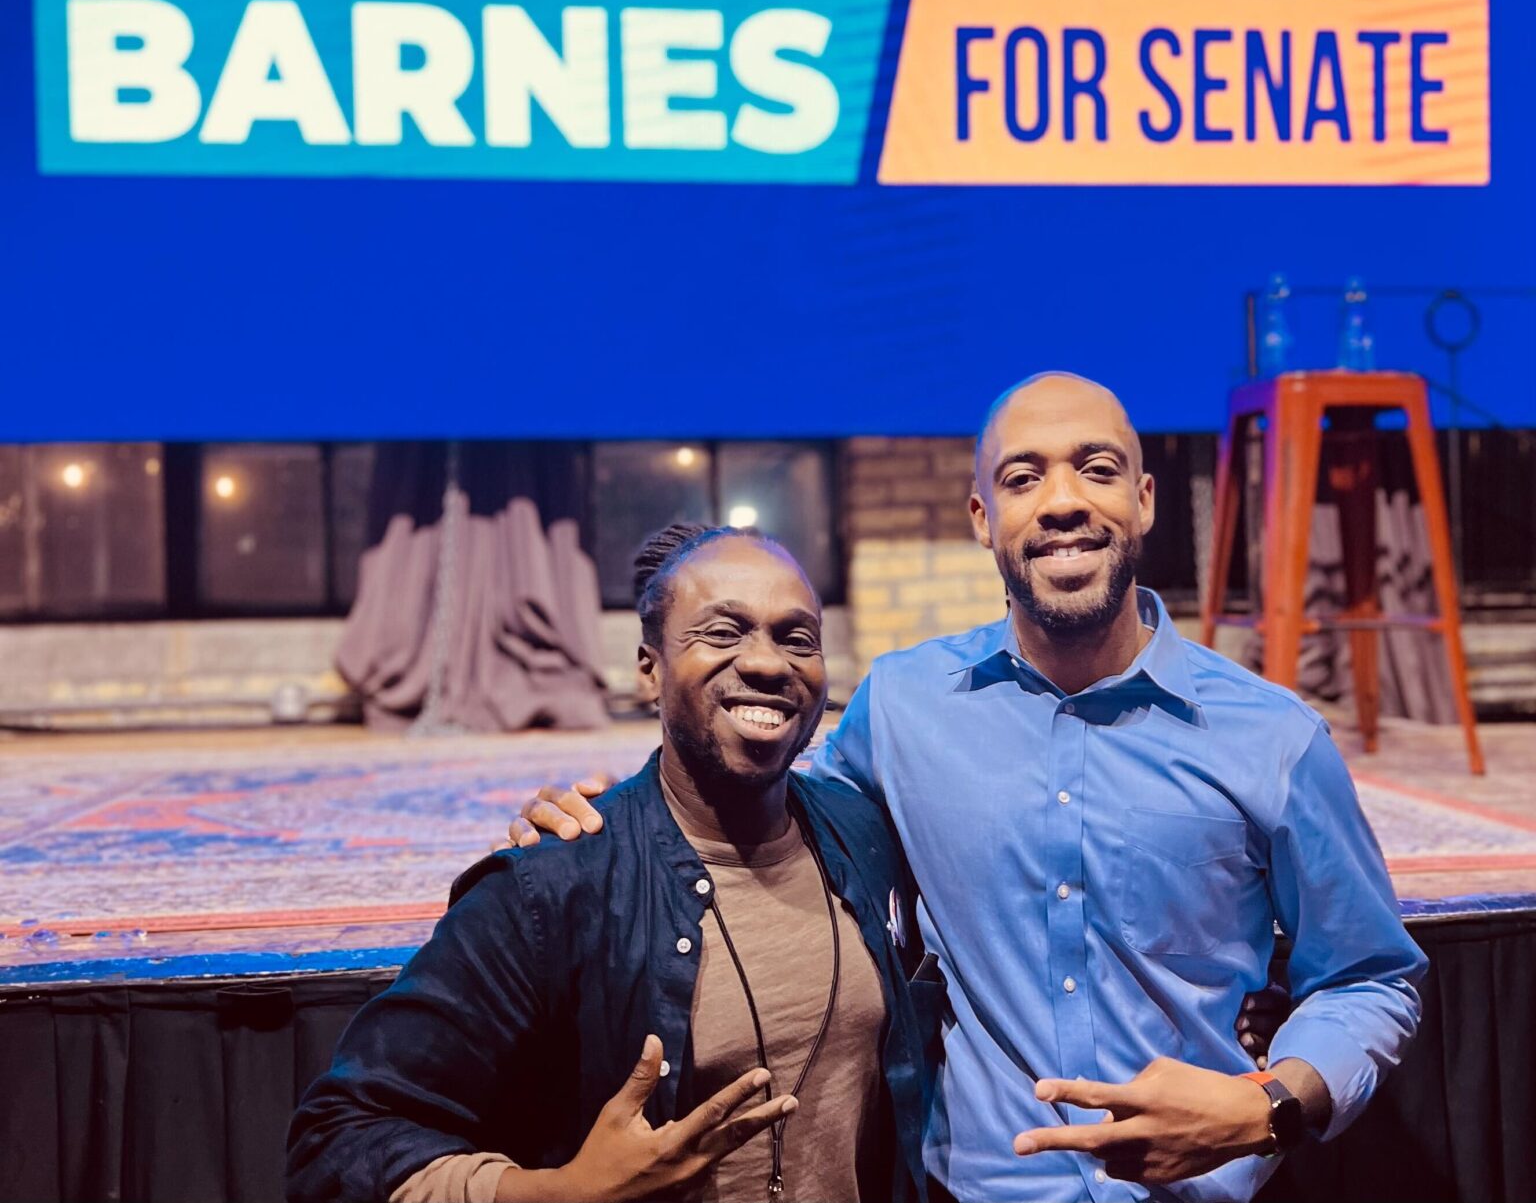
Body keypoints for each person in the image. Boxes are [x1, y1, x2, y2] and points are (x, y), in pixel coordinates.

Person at [516, 373, 1426, 1202]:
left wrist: (1261, 1108)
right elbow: (773, 811)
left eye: (1097, 469)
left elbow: (1371, 977)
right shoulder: (905, 706)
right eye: (1024, 478)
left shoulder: (1274, 736)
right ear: (984, 518)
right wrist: (621, 814)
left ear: (1143, 501)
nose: (1063, 501)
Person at [286, 523, 938, 1203]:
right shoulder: (552, 887)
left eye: (796, 637)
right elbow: (338, 1139)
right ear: (649, 667)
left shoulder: (866, 836)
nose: (768, 662)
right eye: (722, 633)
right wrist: (564, 1192)